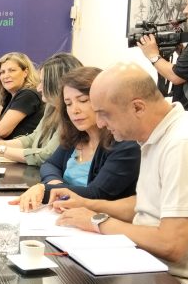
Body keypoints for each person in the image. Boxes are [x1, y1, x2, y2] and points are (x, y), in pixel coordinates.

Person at [51, 63, 188, 284]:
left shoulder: (185, 144)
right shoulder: (157, 135)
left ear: (137, 107)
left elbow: (171, 244)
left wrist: (98, 221)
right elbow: (148, 203)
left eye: (104, 114)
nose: (100, 123)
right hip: (156, 270)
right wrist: (89, 205)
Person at [15, 67, 141, 211]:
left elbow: (97, 194)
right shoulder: (76, 136)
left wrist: (47, 189)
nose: (74, 110)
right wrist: (56, 185)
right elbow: (50, 165)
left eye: (83, 100)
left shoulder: (125, 143)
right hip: (64, 213)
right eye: (68, 104)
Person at [0, 53, 83, 165]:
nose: (38, 88)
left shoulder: (30, 95)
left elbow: (46, 155)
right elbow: (33, 138)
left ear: (57, 84)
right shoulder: (50, 106)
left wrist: (0, 150)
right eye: (2, 72)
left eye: (43, 82)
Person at [0, 52, 43, 139]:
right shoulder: (9, 95)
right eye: (2, 72)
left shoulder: (28, 94)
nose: (6, 76)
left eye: (12, 70)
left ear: (25, 72)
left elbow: (1, 132)